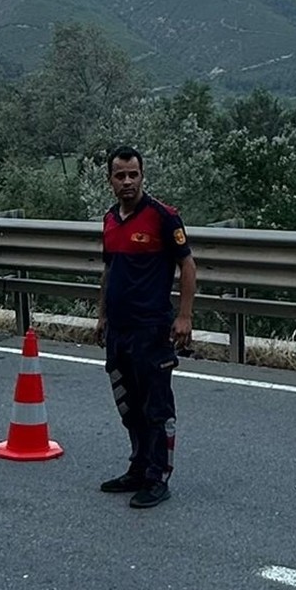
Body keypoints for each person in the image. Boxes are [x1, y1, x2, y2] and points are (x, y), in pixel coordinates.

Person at [96, 145, 197, 509]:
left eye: (133, 174)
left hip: (152, 329)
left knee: (156, 407)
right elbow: (109, 271)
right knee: (129, 405)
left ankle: (158, 476)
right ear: (110, 180)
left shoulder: (163, 217)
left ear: (142, 176)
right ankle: (138, 468)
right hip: (119, 330)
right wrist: (102, 315)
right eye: (120, 175)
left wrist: (183, 317)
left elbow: (188, 266)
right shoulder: (109, 219)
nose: (127, 181)